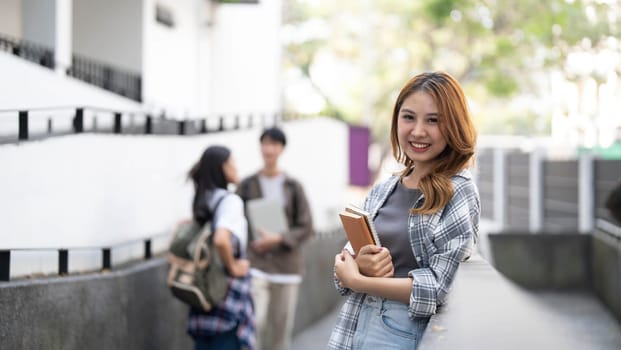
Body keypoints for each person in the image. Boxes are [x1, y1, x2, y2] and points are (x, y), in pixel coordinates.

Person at [328, 71, 480, 349]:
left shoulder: (457, 190)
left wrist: (360, 281)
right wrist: (359, 264)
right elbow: (345, 265)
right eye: (408, 117)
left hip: (400, 331)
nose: (418, 131)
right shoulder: (383, 189)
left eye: (433, 120)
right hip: (354, 322)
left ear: (454, 125)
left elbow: (437, 287)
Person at [236, 127, 314, 350]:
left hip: (286, 267)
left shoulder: (292, 185)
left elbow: (307, 226)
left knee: (280, 331)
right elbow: (232, 216)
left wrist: (279, 239)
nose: (268, 149)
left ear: (281, 149)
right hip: (256, 262)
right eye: (265, 143)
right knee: (255, 322)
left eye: (274, 144)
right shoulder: (248, 184)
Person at [185, 145, 255, 350]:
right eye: (232, 162)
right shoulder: (230, 200)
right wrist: (233, 266)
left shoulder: (203, 197)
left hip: (204, 285)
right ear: (222, 167)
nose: (236, 167)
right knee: (226, 340)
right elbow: (221, 240)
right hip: (225, 287)